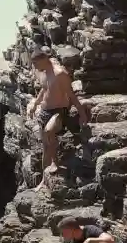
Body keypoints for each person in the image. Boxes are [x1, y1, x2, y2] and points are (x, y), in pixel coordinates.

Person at [24, 47, 89, 187]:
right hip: (44, 111)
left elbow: (71, 95)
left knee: (49, 131)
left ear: (44, 60)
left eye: (36, 64)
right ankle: (43, 180)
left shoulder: (60, 74)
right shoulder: (42, 72)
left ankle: (56, 163)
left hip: (59, 111)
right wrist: (35, 104)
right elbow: (44, 88)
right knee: (45, 147)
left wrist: (82, 114)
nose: (34, 67)